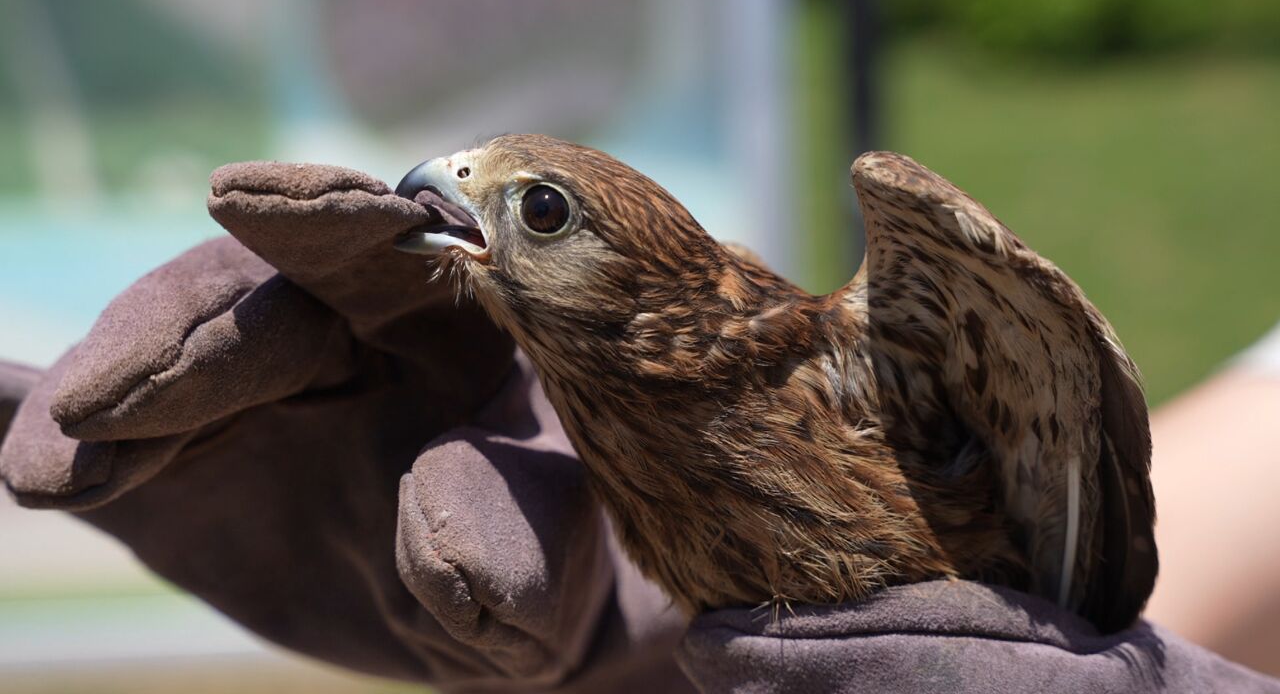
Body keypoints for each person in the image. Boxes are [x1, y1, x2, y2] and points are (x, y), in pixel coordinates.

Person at [1, 162, 1275, 693]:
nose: (446, 188)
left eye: (536, 209)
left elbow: (1071, 556)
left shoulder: (874, 336)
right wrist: (627, 652)